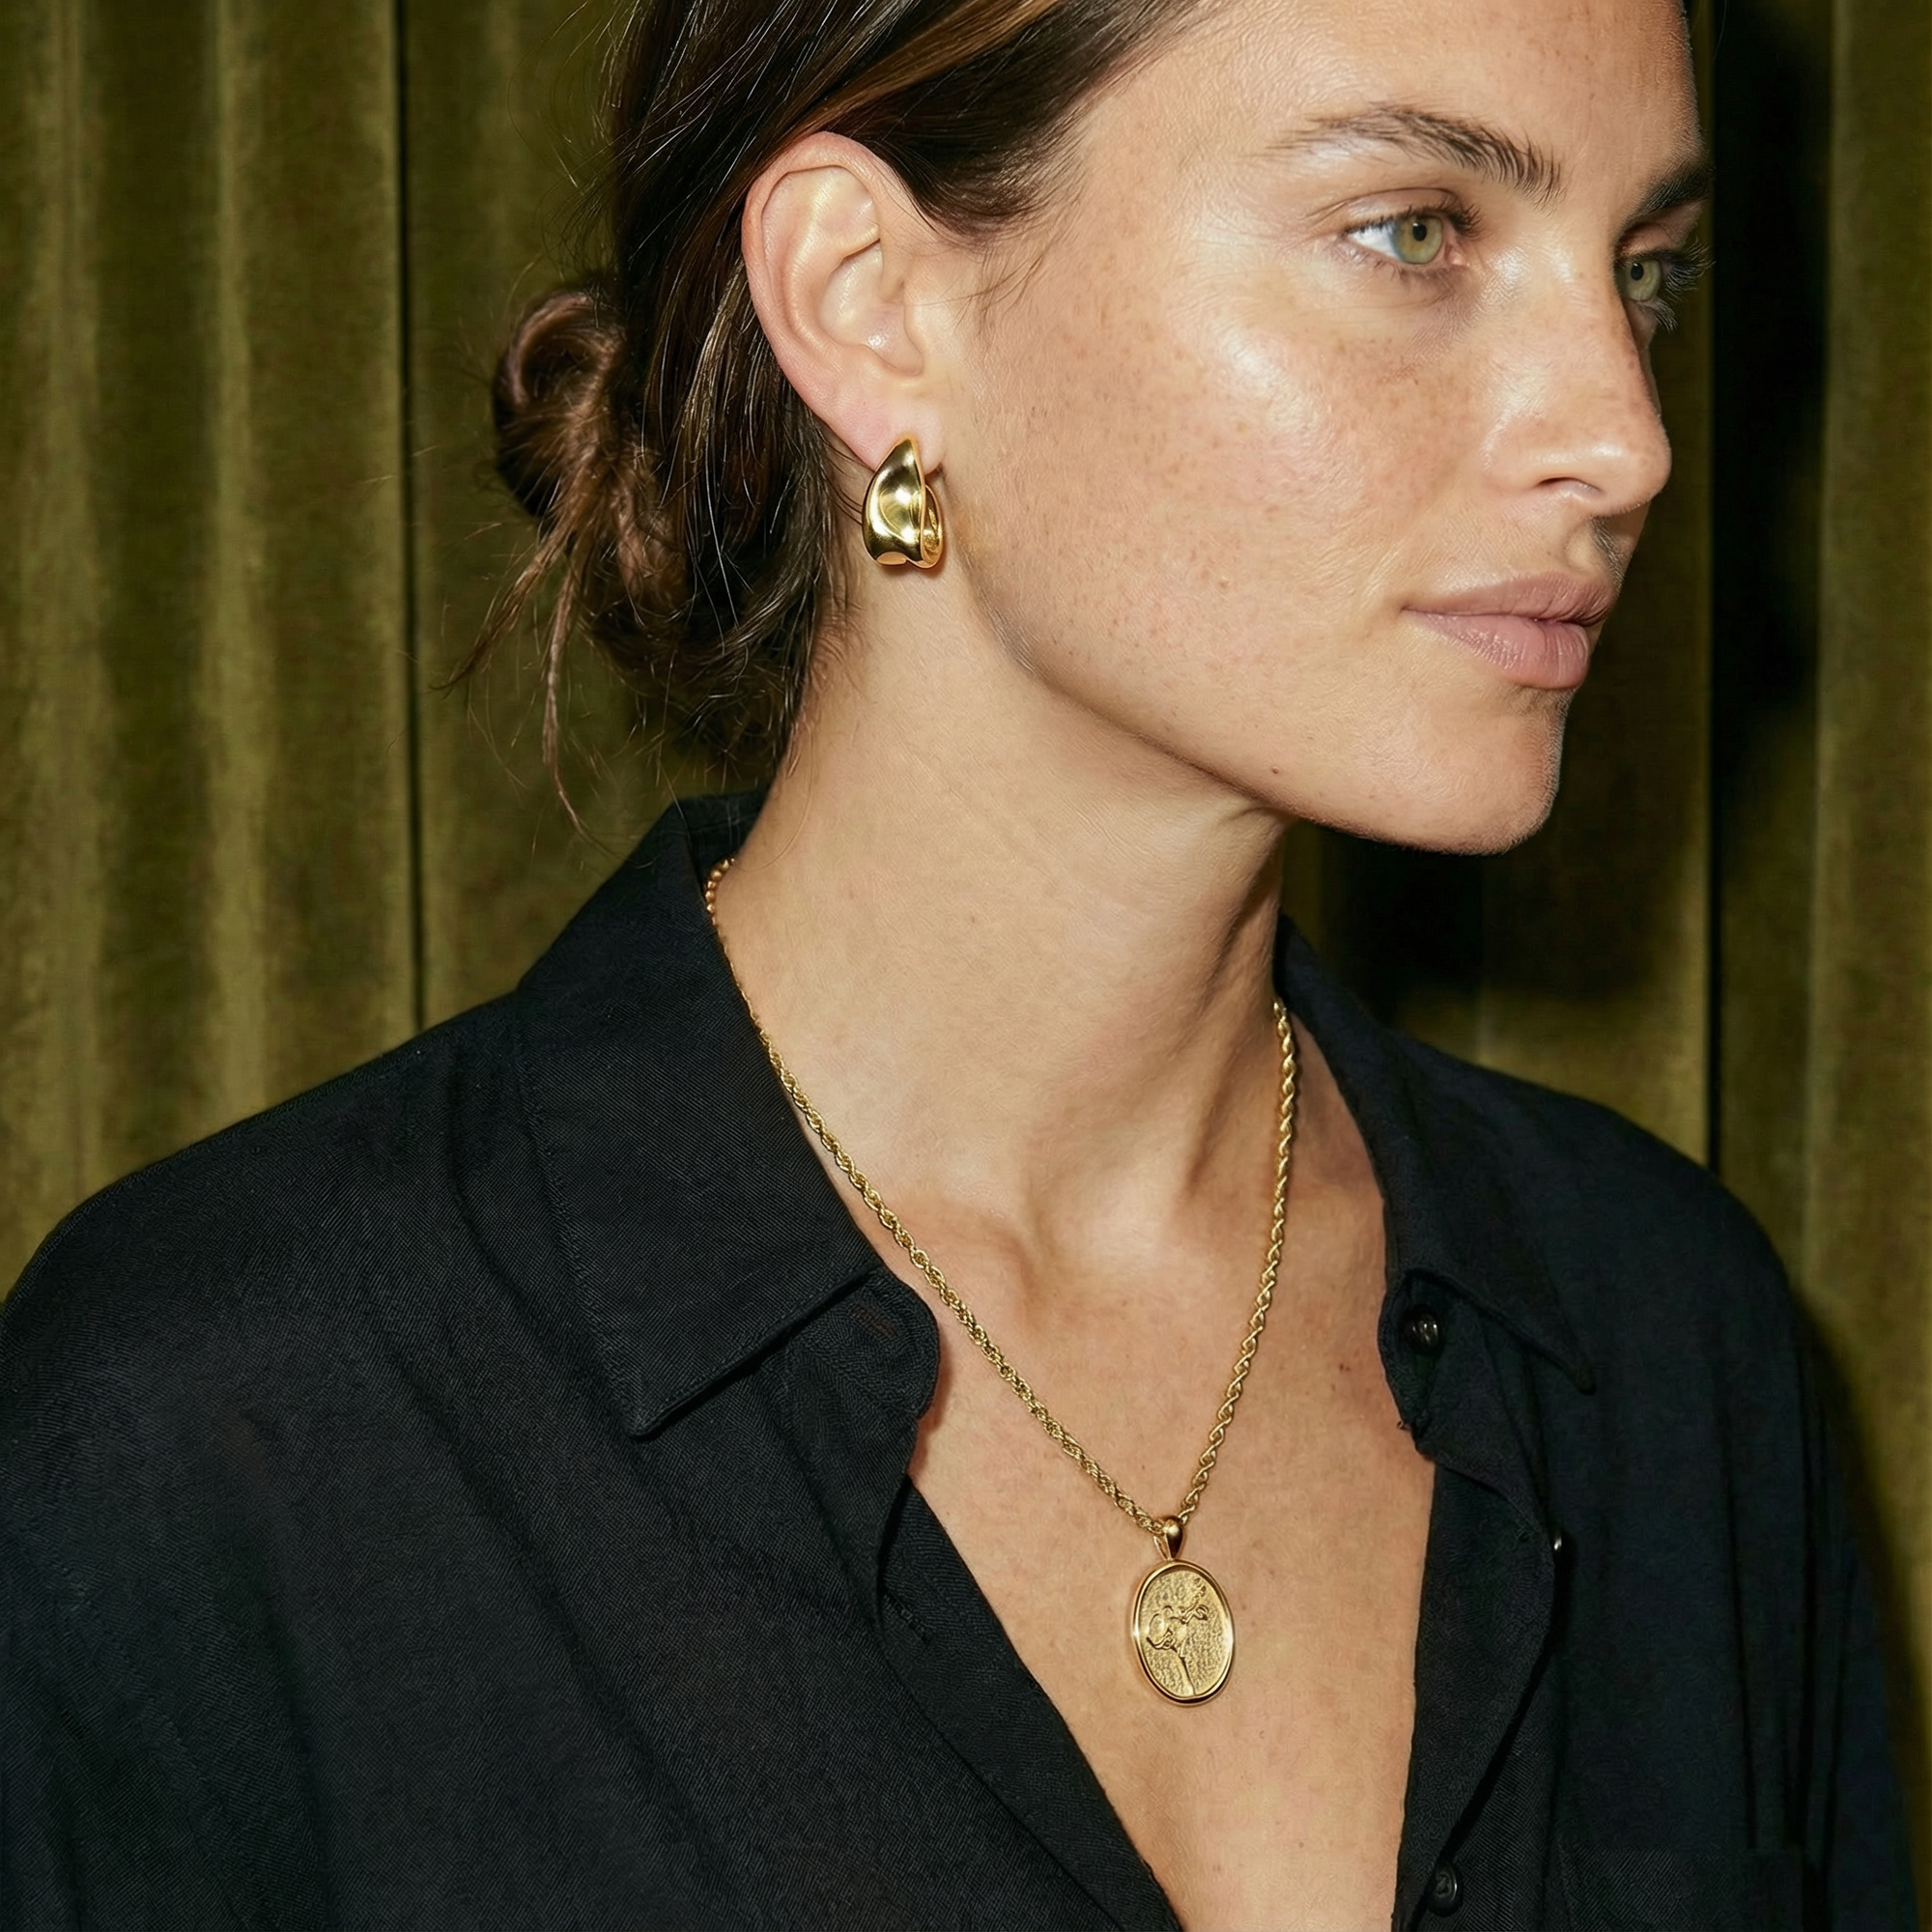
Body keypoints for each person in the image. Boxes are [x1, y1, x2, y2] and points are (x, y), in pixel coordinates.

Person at [0, 0, 1915, 1925]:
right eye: (1412, 233)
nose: (1623, 435)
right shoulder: (232, 1420)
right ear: (869, 301)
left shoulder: (1665, 1344)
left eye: (1645, 272)